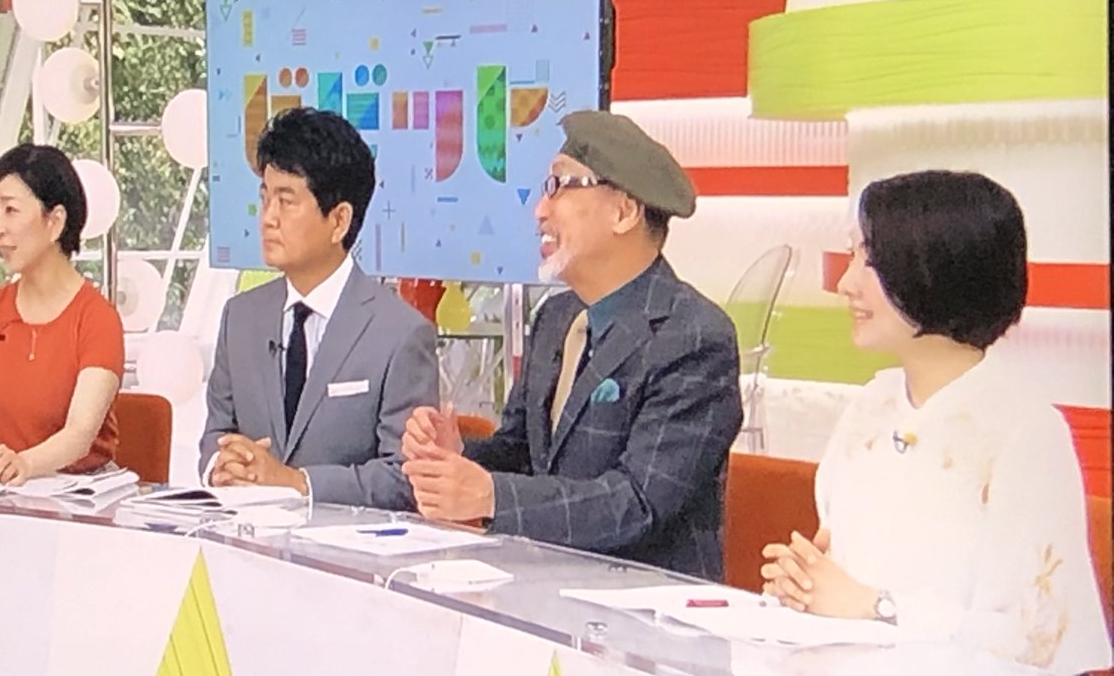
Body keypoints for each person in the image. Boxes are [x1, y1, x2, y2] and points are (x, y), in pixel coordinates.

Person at [761, 170, 1111, 676]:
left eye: (871, 261)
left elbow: (1039, 644)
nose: (845, 283)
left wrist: (878, 607)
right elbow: (838, 569)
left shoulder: (1026, 431)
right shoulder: (871, 406)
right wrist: (803, 585)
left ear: (941, 269)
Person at [401, 111, 742, 580]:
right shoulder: (556, 318)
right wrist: (456, 458)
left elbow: (637, 502)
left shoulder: (693, 336)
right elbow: (523, 452)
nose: (540, 210)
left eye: (560, 186)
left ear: (623, 212)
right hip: (539, 586)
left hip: (642, 604)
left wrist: (490, 496)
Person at [199, 107, 439, 509]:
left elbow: (405, 475)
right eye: (265, 198)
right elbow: (215, 434)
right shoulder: (240, 318)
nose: (268, 218)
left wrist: (296, 482)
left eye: (286, 201)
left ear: (339, 220)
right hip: (249, 535)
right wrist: (221, 467)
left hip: (350, 542)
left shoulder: (401, 334)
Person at [0, 144, 124, 485]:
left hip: (82, 494)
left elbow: (79, 434)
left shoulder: (97, 318)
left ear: (55, 221)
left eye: (11, 210)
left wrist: (24, 464)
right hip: (7, 489)